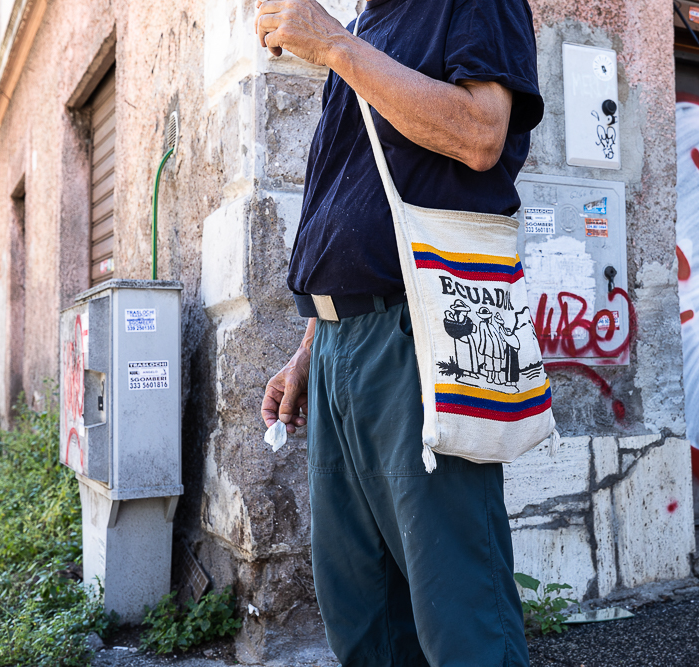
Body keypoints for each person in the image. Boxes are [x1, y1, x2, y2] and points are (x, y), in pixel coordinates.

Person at [255, 0, 543, 665]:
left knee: (461, 614)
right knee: (363, 615)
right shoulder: (364, 28)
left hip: (420, 336)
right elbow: (349, 194)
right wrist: (309, 349)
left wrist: (334, 46)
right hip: (338, 344)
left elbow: (482, 133)